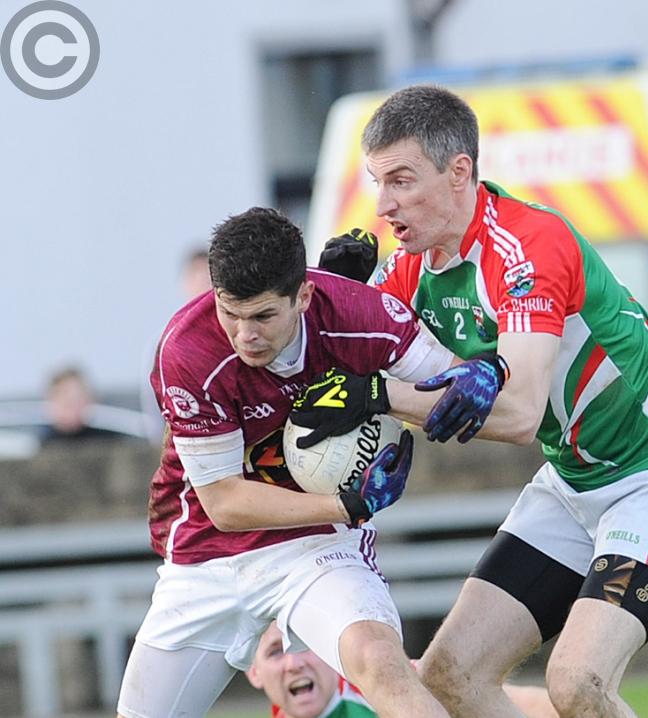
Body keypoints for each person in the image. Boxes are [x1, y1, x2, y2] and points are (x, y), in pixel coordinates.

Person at [296, 84, 648, 718]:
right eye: (377, 182)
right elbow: (326, 379)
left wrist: (375, 393)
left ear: (460, 173)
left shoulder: (528, 245)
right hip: (573, 480)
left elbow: (517, 414)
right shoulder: (406, 271)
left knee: (578, 682)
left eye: (400, 180)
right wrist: (328, 298)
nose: (383, 204)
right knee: (451, 675)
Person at [116, 206, 477, 718]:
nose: (245, 335)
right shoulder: (187, 349)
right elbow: (225, 504)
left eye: (263, 315)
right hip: (205, 557)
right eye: (229, 313)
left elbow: (457, 397)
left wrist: (381, 390)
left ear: (304, 295)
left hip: (313, 545)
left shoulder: (360, 314)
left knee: (379, 661)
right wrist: (348, 502)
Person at [249, 622, 557, 718]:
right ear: (254, 672)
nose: (294, 663)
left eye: (304, 646)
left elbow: (525, 704)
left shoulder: (379, 686)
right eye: (276, 652)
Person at [140, 247, 214, 444]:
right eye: (197, 276)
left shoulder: (238, 334)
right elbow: (154, 404)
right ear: (185, 283)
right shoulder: (166, 342)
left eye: (209, 276)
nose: (205, 283)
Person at [40, 366, 127, 445]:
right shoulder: (44, 442)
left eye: (78, 399)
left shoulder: (108, 439)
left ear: (91, 401)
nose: (73, 407)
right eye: (67, 402)